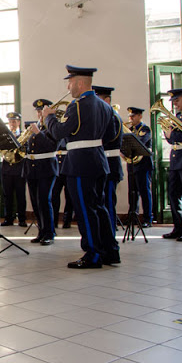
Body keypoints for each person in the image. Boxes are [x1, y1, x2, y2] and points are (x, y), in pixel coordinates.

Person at [43, 65, 119, 268]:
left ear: (79, 82)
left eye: (70, 82)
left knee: (85, 210)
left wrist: (49, 116)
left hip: (80, 163)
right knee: (99, 208)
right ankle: (110, 251)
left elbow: (59, 132)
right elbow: (111, 136)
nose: (68, 87)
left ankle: (93, 253)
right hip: (99, 161)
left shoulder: (77, 105)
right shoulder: (105, 106)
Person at [24, 100, 58, 245]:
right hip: (32, 168)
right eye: (38, 112)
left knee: (44, 200)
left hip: (46, 168)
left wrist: (38, 133)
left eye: (41, 111)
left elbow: (52, 146)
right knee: (36, 202)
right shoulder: (37, 126)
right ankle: (41, 231)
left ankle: (49, 233)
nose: (39, 114)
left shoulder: (54, 126)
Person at [92, 86, 124, 243]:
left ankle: (110, 239)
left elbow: (107, 139)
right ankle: (104, 237)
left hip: (110, 164)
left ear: (107, 100)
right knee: (101, 201)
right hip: (103, 163)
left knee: (109, 203)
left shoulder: (113, 117)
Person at [125, 107, 153, 228]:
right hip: (132, 164)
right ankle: (133, 216)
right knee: (132, 192)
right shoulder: (130, 130)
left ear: (140, 116)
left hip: (143, 165)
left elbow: (139, 143)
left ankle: (147, 218)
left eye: (133, 116)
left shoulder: (145, 129)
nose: (131, 119)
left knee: (144, 192)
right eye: (130, 117)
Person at [163, 88, 182, 241]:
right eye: (174, 101)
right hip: (176, 158)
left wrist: (173, 134)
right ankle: (178, 227)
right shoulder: (178, 117)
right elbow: (171, 140)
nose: (175, 104)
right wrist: (167, 133)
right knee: (173, 194)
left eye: (177, 100)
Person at [1, 111, 27, 227]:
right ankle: (8, 218)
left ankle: (22, 218)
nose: (12, 123)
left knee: (21, 195)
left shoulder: (23, 135)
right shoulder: (4, 136)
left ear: (19, 122)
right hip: (7, 169)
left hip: (19, 169)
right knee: (8, 195)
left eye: (15, 121)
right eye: (11, 121)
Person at [52, 138, 74, 229]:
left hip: (68, 167)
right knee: (54, 196)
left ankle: (67, 220)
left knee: (69, 196)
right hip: (57, 168)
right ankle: (54, 221)